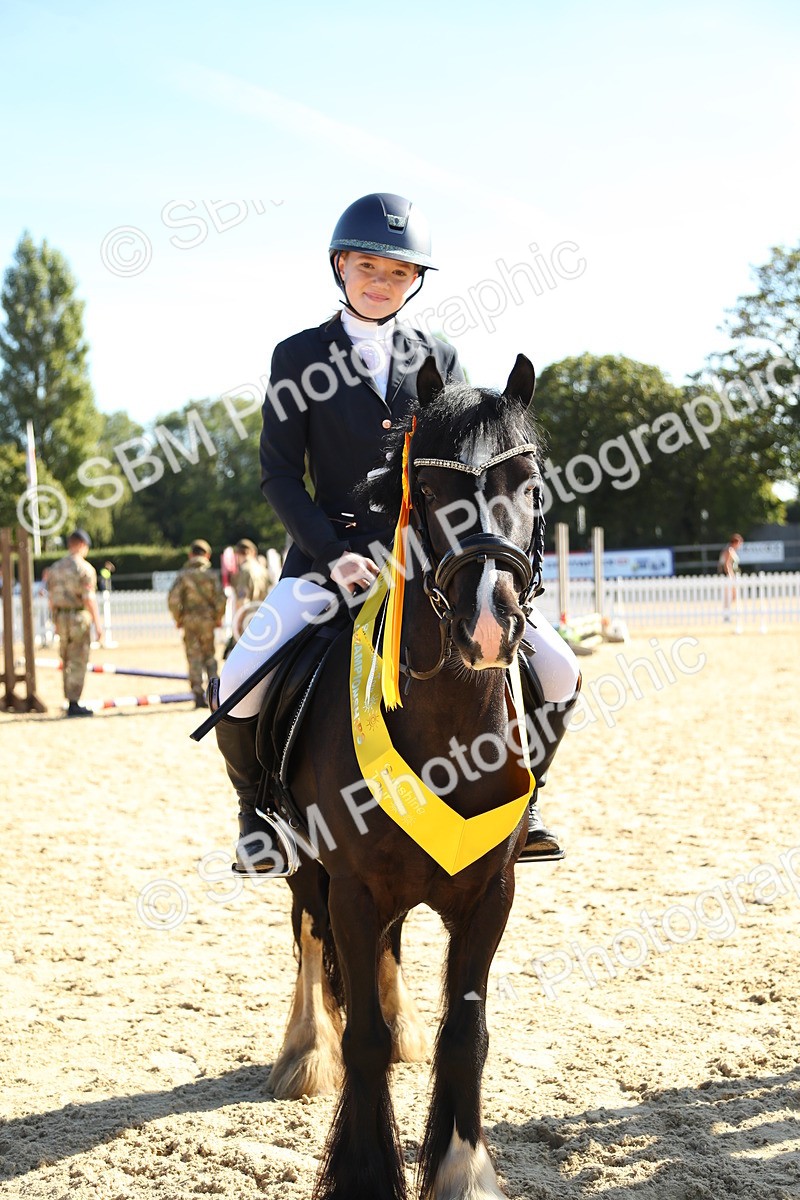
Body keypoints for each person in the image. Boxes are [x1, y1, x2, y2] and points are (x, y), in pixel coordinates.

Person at [214, 192, 580, 874]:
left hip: (433, 561)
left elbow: (471, 469)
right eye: (367, 268)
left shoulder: (439, 352)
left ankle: (525, 809)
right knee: (237, 681)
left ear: (415, 281)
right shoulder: (297, 356)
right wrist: (331, 555)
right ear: (339, 267)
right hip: (330, 557)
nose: (381, 283)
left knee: (560, 670)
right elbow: (279, 476)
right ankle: (259, 817)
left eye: (398, 273)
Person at [46, 529, 103, 717]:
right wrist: (98, 624)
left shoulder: (55, 568)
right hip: (78, 618)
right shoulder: (85, 569)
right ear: (81, 544)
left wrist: (55, 620)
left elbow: (51, 599)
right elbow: (89, 599)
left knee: (66, 659)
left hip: (61, 618)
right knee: (78, 660)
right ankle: (74, 702)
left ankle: (68, 698)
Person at [168, 540, 227, 708]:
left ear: (190, 554)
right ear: (207, 555)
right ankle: (214, 693)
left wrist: (178, 618)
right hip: (208, 620)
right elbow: (221, 599)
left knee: (193, 656)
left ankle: (197, 694)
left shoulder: (183, 575)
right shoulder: (211, 574)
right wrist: (217, 617)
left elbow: (173, 599)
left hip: (189, 620)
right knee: (210, 655)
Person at [230, 538, 270, 641]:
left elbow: (242, 600)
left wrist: (237, 623)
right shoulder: (262, 570)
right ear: (253, 552)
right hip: (262, 617)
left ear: (238, 554)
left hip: (248, 619)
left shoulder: (245, 571)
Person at [717, 533, 744, 621]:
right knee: (729, 596)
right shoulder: (729, 550)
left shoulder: (731, 550)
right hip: (728, 576)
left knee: (732, 596)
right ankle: (726, 615)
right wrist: (731, 576)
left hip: (731, 575)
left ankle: (728, 614)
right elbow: (727, 564)